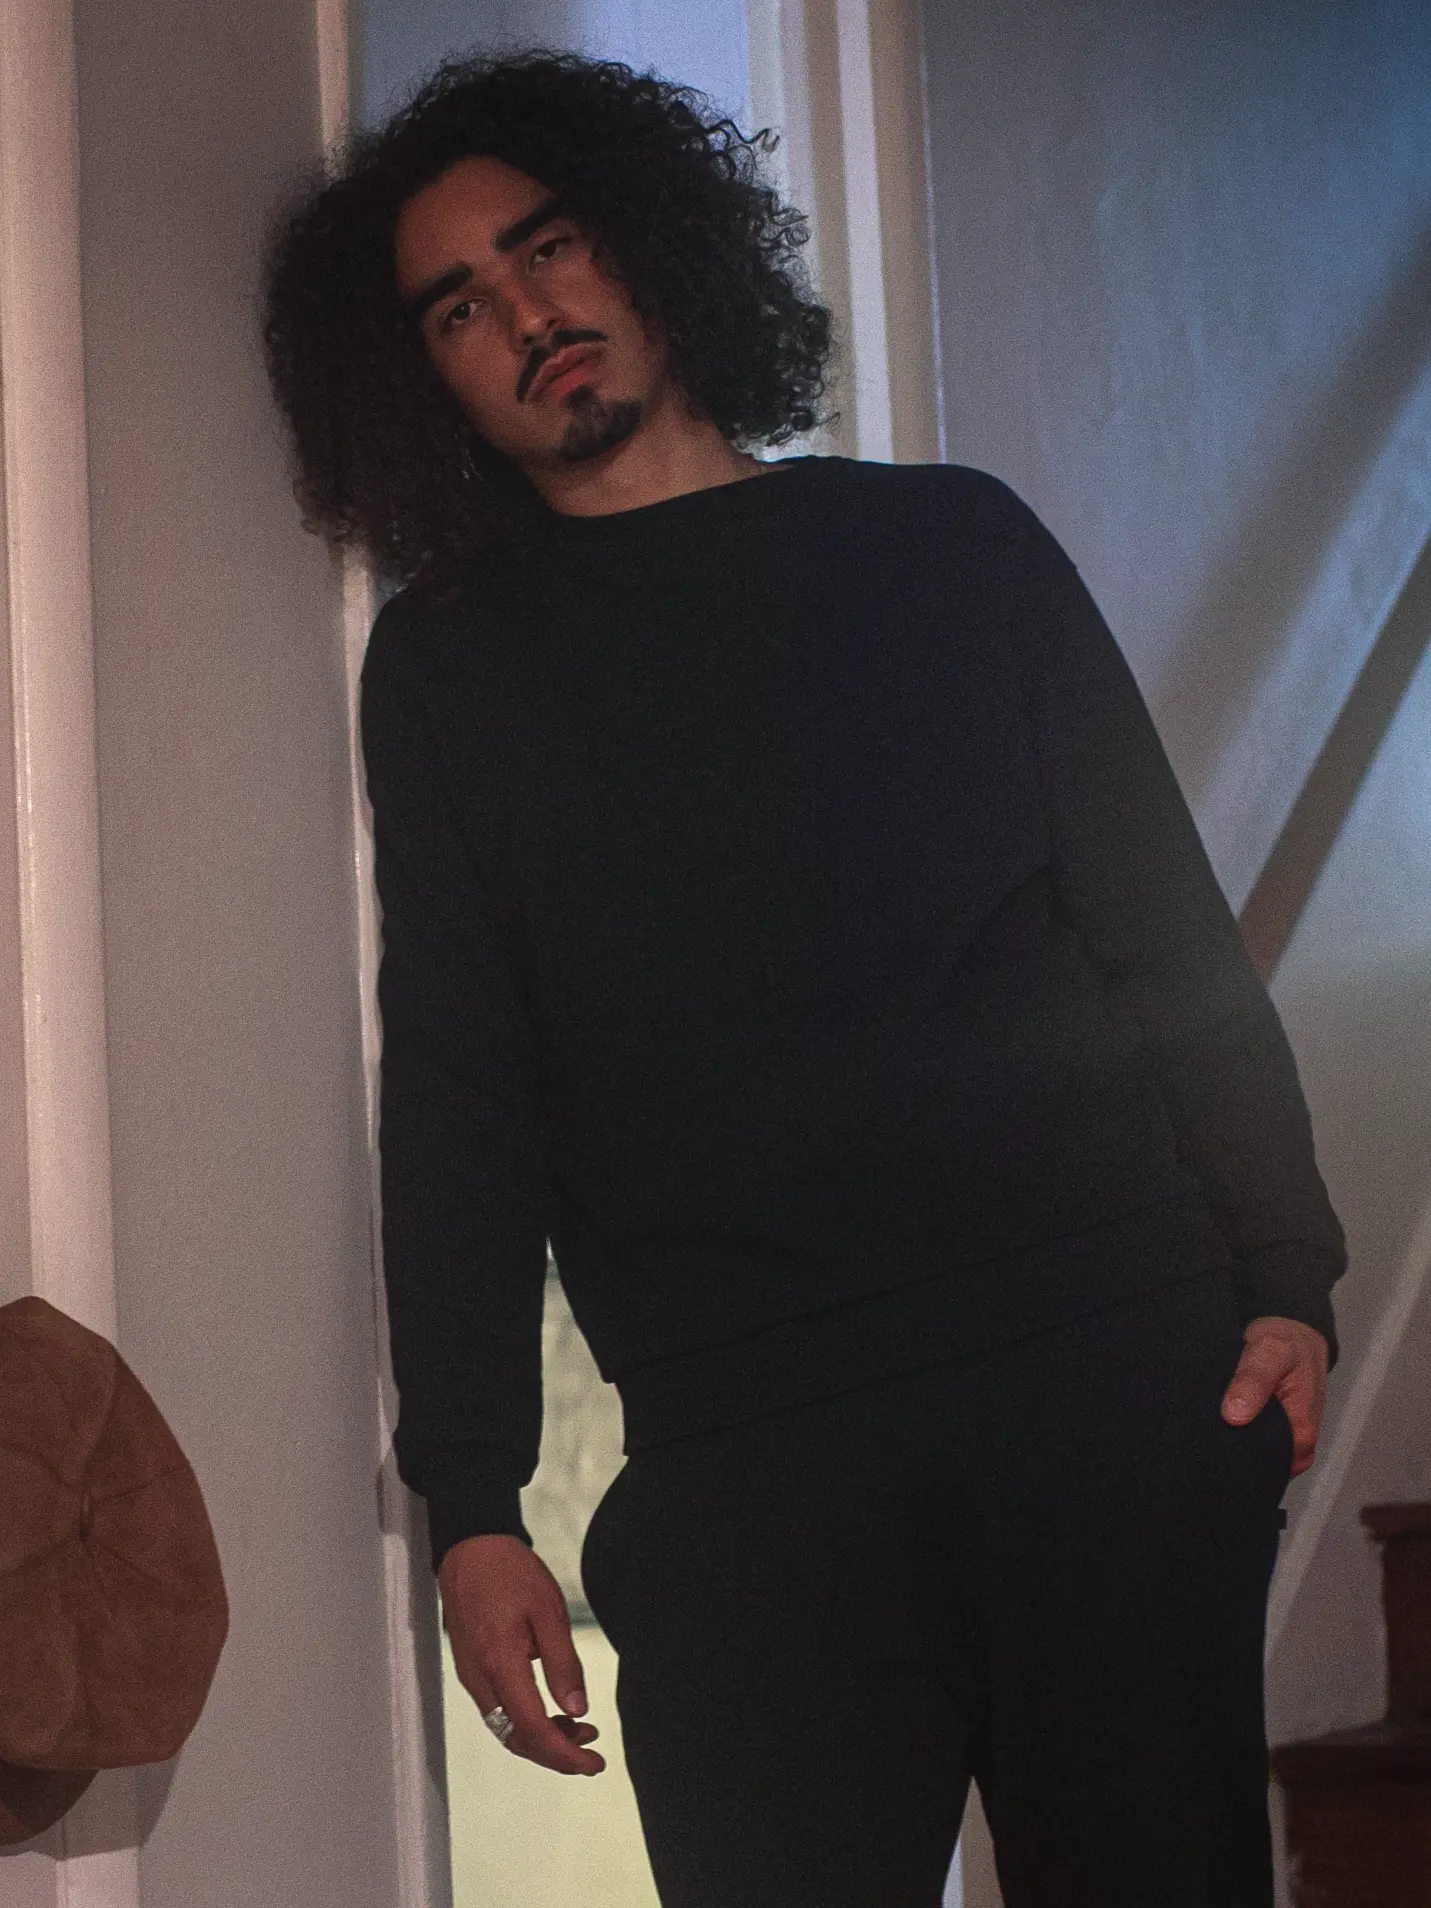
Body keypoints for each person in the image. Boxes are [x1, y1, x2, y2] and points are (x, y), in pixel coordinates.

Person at [262, 51, 1345, 1908]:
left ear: (656, 246)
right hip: (745, 1462)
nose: (528, 313)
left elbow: (1156, 929)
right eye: (459, 305)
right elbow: (459, 1085)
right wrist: (471, 1498)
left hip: (1104, 1379)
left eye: (552, 245)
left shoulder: (946, 547)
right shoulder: (450, 675)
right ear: (418, 378)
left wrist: (1287, 1267)